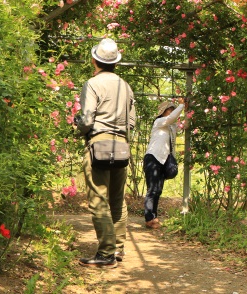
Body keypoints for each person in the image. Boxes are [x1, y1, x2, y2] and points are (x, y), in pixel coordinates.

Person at [75, 38, 136, 269]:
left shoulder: (92, 83)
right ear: (115, 63)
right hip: (121, 145)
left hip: (98, 144)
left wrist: (78, 124)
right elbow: (131, 122)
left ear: (94, 60)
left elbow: (88, 119)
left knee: (98, 199)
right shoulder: (126, 86)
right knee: (117, 200)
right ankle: (118, 248)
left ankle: (106, 254)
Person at [143, 98, 186, 229]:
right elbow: (172, 118)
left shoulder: (172, 127)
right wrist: (182, 105)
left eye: (173, 109)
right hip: (153, 158)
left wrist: (188, 111)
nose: (172, 111)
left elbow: (184, 125)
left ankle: (153, 216)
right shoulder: (159, 122)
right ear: (163, 112)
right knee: (152, 190)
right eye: (170, 109)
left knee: (158, 190)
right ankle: (149, 218)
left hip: (163, 159)